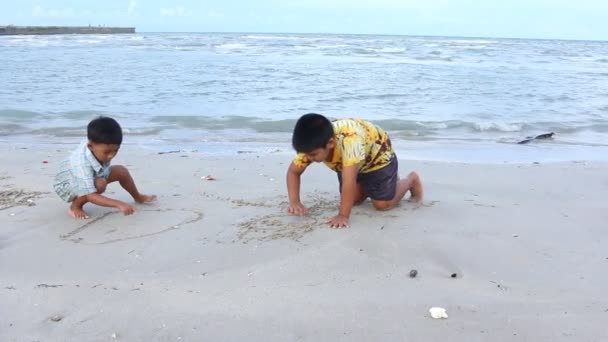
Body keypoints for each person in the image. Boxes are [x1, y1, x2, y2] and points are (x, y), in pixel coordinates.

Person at [286, 113, 423, 228]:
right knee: (354, 200)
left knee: (382, 204)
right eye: (306, 154)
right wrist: (294, 201)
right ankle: (386, 183)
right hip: (351, 163)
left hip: (377, 157)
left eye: (313, 155)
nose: (308, 158)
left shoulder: (350, 141)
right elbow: (293, 172)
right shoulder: (311, 146)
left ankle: (411, 179)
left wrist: (342, 216)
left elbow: (348, 181)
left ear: (330, 143)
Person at [53, 116, 156, 219]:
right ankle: (75, 206)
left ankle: (138, 197)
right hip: (68, 185)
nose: (111, 156)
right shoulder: (82, 163)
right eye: (106, 152)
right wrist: (119, 204)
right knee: (99, 185)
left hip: (95, 173)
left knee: (121, 171)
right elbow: (90, 195)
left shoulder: (97, 143)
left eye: (115, 150)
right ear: (90, 146)